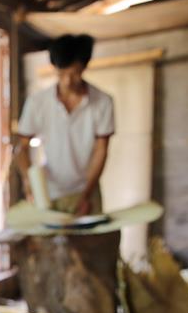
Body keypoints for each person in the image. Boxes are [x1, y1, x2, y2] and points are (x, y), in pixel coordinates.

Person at [15, 34, 114, 216]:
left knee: (90, 242)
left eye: (74, 73)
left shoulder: (102, 102)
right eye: (61, 74)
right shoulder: (38, 103)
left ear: (84, 67)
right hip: (50, 192)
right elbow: (21, 147)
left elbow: (101, 150)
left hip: (87, 190)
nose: (67, 81)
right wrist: (29, 181)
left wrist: (86, 195)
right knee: (50, 242)